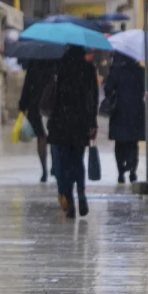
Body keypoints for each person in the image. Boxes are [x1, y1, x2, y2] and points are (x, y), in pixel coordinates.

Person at [45, 45, 98, 219]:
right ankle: (81, 193)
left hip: (60, 122)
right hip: (80, 122)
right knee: (77, 161)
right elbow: (93, 97)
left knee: (64, 163)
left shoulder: (58, 66)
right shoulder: (88, 68)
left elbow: (51, 96)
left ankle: (69, 201)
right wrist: (92, 122)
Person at [103, 52, 148, 184]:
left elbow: (108, 89)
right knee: (133, 144)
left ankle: (121, 172)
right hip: (137, 113)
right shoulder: (141, 71)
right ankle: (132, 171)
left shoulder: (116, 71)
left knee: (120, 144)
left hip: (120, 112)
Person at [18, 58, 57, 182]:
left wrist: (22, 106)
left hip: (36, 104)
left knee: (41, 137)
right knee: (55, 136)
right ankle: (55, 166)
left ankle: (44, 170)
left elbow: (27, 85)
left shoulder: (34, 62)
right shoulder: (57, 61)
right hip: (54, 103)